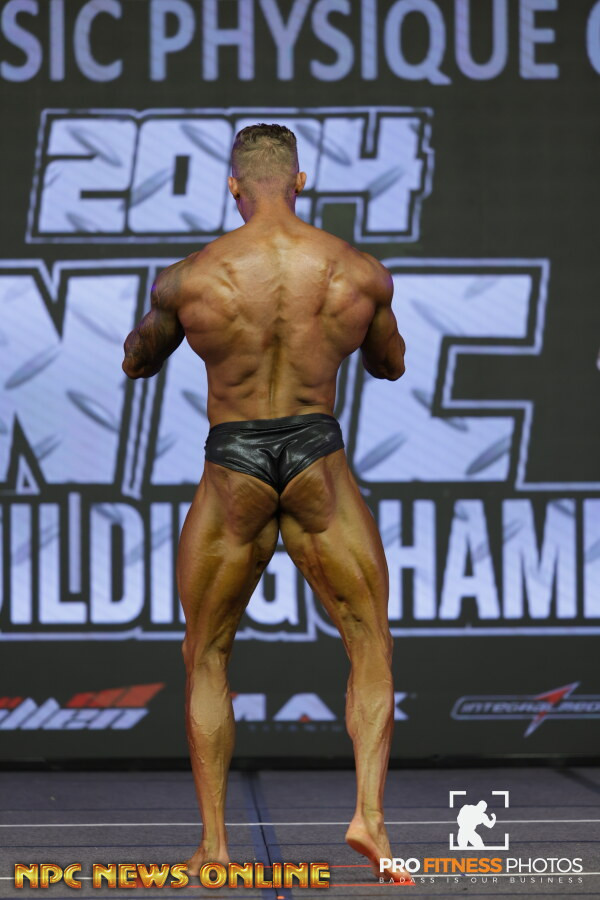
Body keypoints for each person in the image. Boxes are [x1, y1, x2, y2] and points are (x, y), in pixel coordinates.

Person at [122, 124, 408, 883]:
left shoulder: (191, 277)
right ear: (301, 181)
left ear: (234, 186)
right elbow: (390, 365)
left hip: (234, 463)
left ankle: (216, 847)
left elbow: (138, 362)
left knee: (208, 651)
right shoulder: (358, 271)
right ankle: (371, 821)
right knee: (368, 639)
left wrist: (159, 324)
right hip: (318, 456)